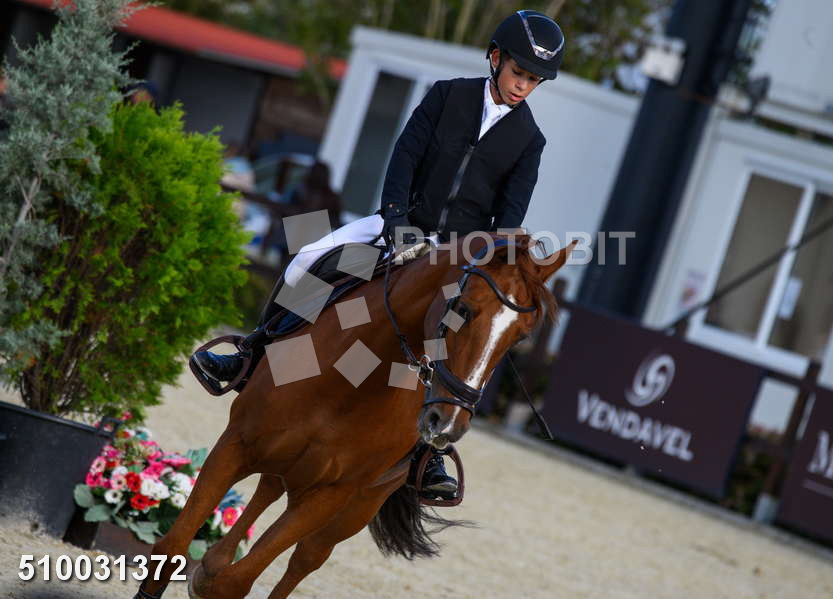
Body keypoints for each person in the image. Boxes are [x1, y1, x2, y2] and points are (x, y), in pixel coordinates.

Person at [192, 10, 565, 499]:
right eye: (519, 73)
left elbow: (509, 216)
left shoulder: (530, 140)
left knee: (453, 341)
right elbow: (405, 156)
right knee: (310, 257)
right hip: (401, 226)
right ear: (495, 58)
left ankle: (429, 453)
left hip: (457, 260)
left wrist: (480, 258)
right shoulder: (446, 95)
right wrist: (396, 219)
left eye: (534, 80)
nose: (523, 86)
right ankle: (251, 354)